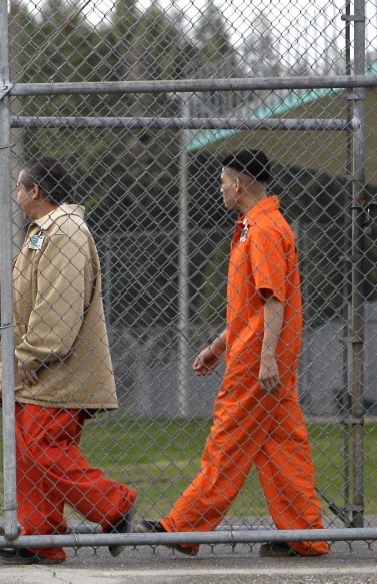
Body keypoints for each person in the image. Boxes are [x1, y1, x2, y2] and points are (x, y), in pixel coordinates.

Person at [136, 150, 329, 558]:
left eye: (223, 179)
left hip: (258, 361)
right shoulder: (253, 226)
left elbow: (274, 300)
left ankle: (182, 528)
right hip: (258, 353)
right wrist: (216, 347)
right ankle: (305, 534)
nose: (220, 186)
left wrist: (266, 359)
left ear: (239, 184)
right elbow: (251, 309)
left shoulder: (261, 229)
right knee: (281, 445)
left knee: (227, 441)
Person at [0, 157, 137, 566]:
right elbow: (29, 293)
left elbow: (59, 303)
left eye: (20, 188)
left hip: (55, 370)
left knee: (43, 446)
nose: (17, 196)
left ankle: (115, 505)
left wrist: (33, 353)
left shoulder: (66, 232)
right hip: (38, 369)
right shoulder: (44, 232)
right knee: (29, 452)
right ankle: (39, 537)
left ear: (35, 191)